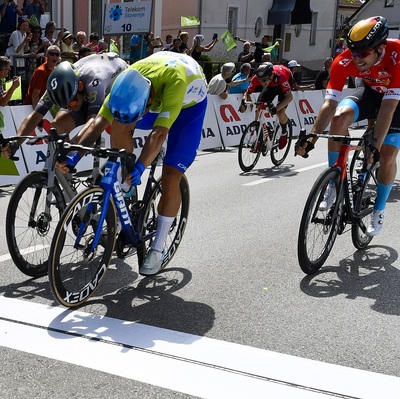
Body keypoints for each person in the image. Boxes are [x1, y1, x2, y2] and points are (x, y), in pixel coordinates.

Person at [58, 51, 208, 276]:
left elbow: (157, 135)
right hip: (152, 90)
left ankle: (158, 248)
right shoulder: (123, 84)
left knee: (170, 176)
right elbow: (96, 124)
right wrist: (73, 156)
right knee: (118, 125)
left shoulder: (173, 83)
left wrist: (141, 166)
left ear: (149, 101)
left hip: (189, 106)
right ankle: (125, 192)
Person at [296, 16, 399, 237]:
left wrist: (376, 146)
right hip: (371, 92)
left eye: (363, 53)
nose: (357, 58)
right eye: (353, 52)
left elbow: (389, 108)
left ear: (381, 48)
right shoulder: (343, 60)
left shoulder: (397, 55)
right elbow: (330, 102)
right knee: (339, 118)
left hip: (396, 101)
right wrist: (313, 136)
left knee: (387, 154)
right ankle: (334, 181)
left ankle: (379, 209)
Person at [1, 52, 128, 152]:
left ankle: (126, 178)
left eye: (71, 104)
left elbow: (93, 123)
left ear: (80, 86)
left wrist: (72, 148)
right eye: (65, 105)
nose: (70, 108)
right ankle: (66, 174)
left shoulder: (95, 82)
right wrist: (15, 143)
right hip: (86, 90)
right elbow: (35, 116)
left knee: (118, 130)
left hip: (119, 87)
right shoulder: (56, 87)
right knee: (57, 125)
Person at [241, 62, 293, 149]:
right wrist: (243, 101)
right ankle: (260, 138)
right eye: (260, 80)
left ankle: (284, 133)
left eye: (264, 80)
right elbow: (247, 93)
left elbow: (289, 97)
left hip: (283, 84)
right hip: (270, 86)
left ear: (271, 76)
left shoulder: (280, 77)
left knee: (280, 113)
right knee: (258, 107)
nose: (262, 83)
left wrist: (276, 109)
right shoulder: (257, 78)